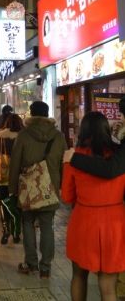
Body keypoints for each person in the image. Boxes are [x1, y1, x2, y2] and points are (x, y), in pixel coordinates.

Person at [64, 97, 125, 301]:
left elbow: (66, 196)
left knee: (79, 276)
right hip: (115, 223)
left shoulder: (74, 157)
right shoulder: (118, 156)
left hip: (84, 221)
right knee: (109, 286)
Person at [9, 101, 67, 278]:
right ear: (47, 113)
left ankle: (31, 262)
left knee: (27, 224)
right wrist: (61, 186)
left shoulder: (24, 135)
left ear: (31, 114)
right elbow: (63, 164)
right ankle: (46, 266)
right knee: (47, 225)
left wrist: (13, 189)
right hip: (51, 188)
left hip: (28, 188)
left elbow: (15, 163)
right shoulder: (58, 136)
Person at [0, 113, 24, 244]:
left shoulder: (0, 135)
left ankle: (6, 229)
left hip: (3, 174)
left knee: (3, 200)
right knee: (17, 202)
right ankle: (17, 232)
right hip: (19, 175)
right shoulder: (24, 136)